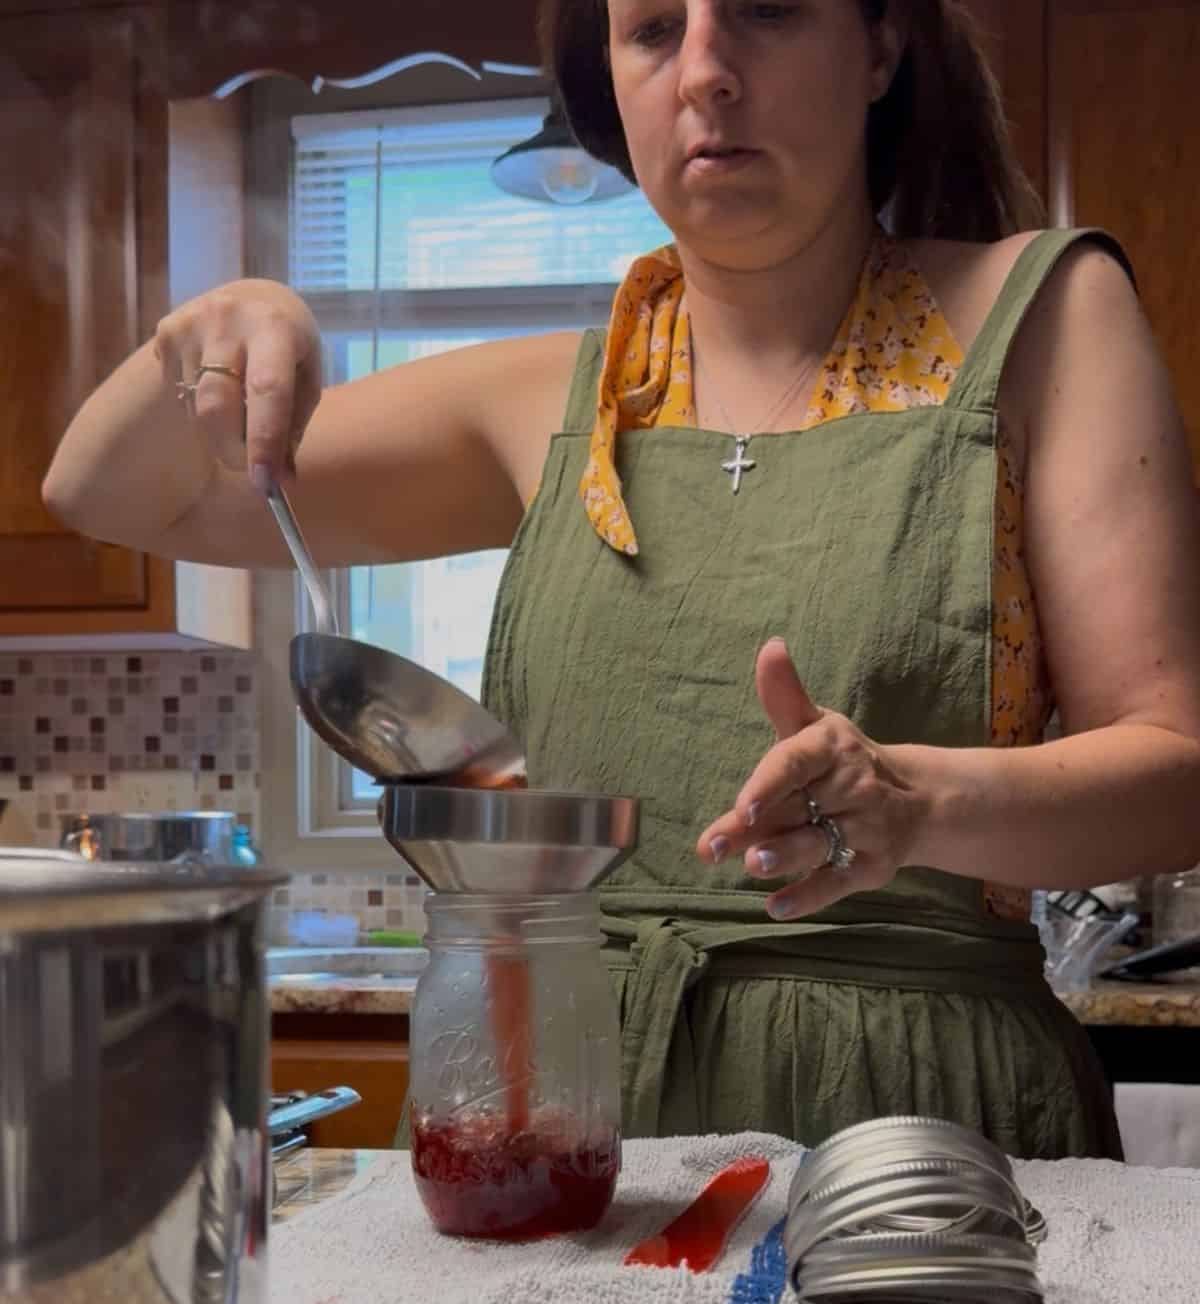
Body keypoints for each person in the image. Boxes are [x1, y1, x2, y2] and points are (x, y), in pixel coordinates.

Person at [43, 0, 1200, 1159]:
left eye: (765, 11)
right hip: (571, 1124)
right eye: (652, 29)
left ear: (881, 48)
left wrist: (919, 804)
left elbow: (1174, 774)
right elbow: (110, 495)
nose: (705, 70)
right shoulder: (546, 404)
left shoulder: (1043, 319)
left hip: (924, 1137)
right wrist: (215, 330)